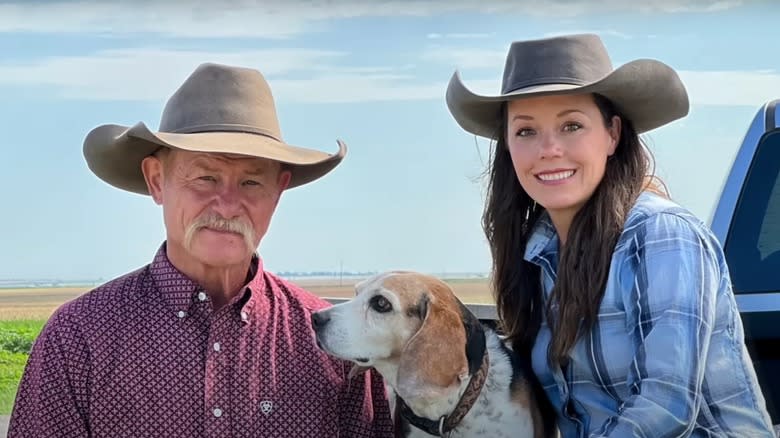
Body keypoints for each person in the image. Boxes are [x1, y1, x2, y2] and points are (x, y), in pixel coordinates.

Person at [8, 63, 394, 437]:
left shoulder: (331, 340)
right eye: (205, 177)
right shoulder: (80, 338)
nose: (226, 205)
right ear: (157, 181)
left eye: (251, 183)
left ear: (278, 191)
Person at [445, 33, 775, 437]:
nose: (549, 149)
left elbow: (666, 406)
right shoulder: (537, 255)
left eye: (571, 125)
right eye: (526, 131)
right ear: (509, 146)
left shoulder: (662, 235)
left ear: (612, 134)